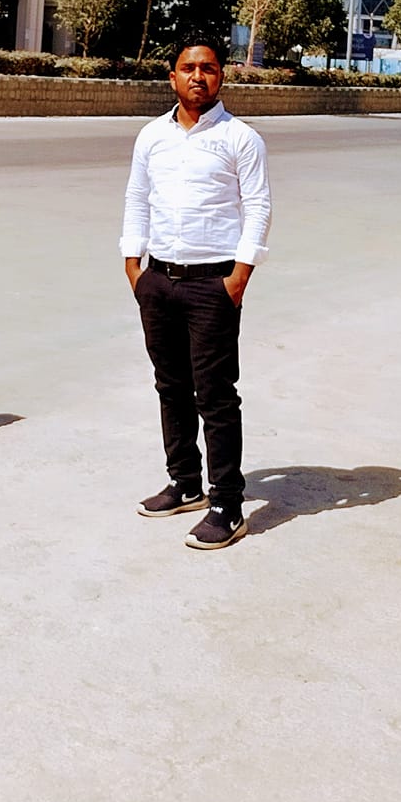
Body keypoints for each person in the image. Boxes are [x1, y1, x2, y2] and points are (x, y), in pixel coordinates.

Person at [120, 35, 271, 551]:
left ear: (221, 76)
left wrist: (239, 276)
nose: (198, 76)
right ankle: (185, 483)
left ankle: (227, 504)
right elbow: (137, 197)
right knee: (170, 386)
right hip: (157, 279)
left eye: (208, 68)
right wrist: (132, 263)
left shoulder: (240, 138)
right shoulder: (151, 136)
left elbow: (258, 207)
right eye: (188, 68)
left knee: (216, 396)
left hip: (213, 284)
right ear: (173, 76)